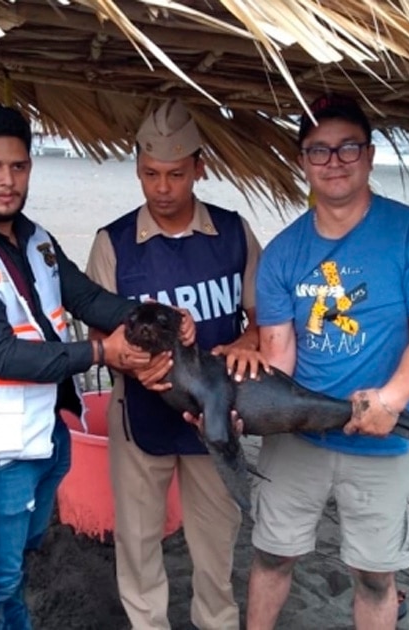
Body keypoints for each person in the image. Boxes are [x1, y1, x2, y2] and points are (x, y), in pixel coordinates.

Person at [0, 103, 194, 630]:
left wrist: (161, 318)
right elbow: (1, 354)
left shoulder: (35, 239)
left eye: (19, 166)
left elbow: (93, 300)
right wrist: (105, 353)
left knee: (9, 571)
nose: (7, 181)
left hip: (45, 436)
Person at [246, 94, 409, 630]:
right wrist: (244, 409)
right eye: (318, 150)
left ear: (369, 156)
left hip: (383, 437)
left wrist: (390, 399)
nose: (334, 161)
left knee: (374, 576)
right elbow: (279, 358)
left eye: (348, 147)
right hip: (298, 437)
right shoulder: (282, 253)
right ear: (302, 161)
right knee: (272, 556)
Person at [85, 99, 264, 630]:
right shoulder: (113, 242)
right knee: (138, 540)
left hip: (214, 417)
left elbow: (263, 321)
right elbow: (99, 331)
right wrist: (134, 365)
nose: (162, 188)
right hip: (140, 417)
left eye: (175, 175)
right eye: (149, 174)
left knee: (216, 540)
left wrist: (245, 343)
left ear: (200, 168)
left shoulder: (232, 233)